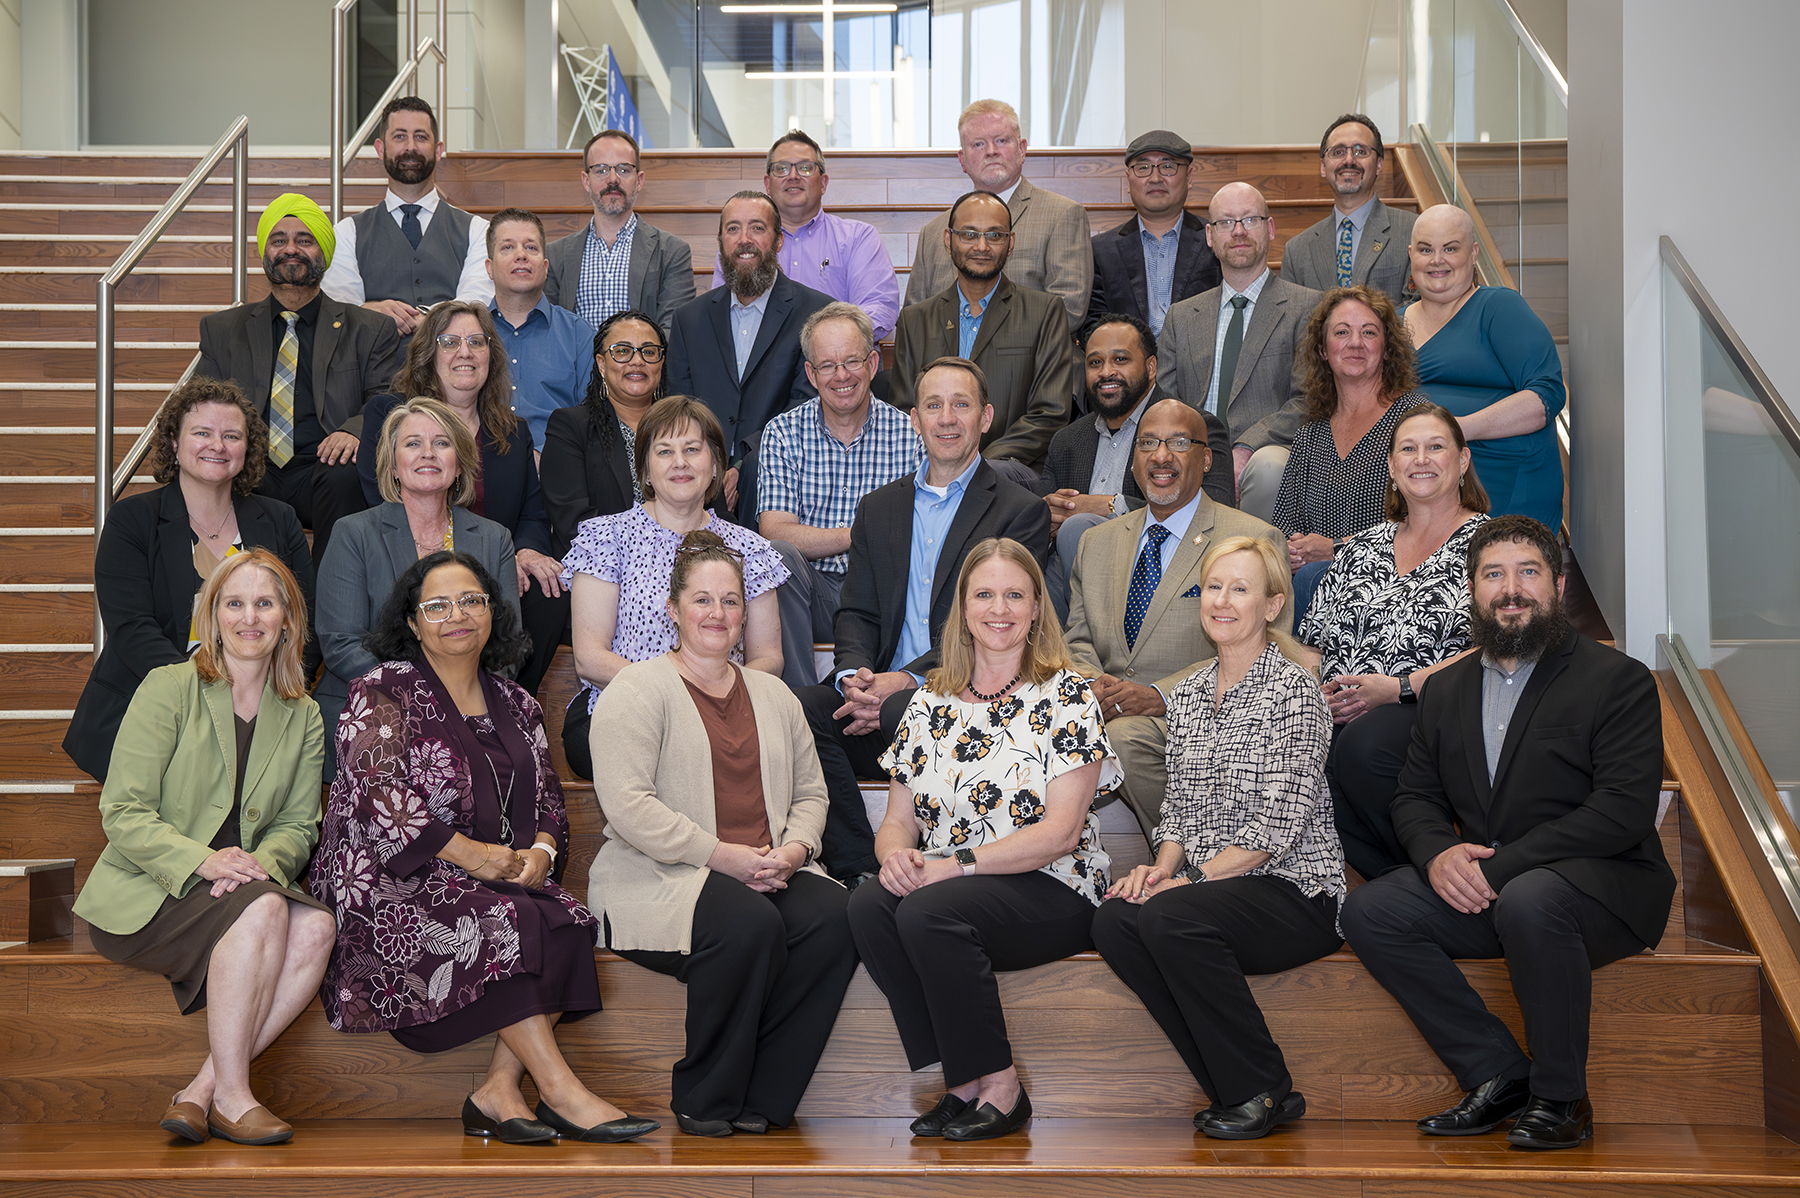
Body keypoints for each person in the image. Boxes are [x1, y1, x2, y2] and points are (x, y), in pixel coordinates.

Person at [1341, 516, 1673, 1150]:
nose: (1511, 589)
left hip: (1606, 888)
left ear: (1559, 584)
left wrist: (1498, 869)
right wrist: (1438, 854)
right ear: (1473, 589)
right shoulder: (1446, 690)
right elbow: (1416, 795)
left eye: (1528, 573)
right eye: (1494, 574)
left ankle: (1561, 1097)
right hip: (1495, 889)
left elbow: (1623, 811)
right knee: (1372, 910)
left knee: (1532, 897)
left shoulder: (1618, 680)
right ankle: (1497, 1072)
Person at [311, 551, 656, 1145]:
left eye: (470, 600)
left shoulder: (517, 702)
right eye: (437, 605)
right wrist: (478, 856)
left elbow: (549, 800)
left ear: (492, 612)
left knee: (569, 920)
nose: (457, 615)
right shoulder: (379, 690)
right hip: (390, 878)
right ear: (413, 623)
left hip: (490, 874)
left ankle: (497, 1089)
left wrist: (542, 855)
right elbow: (380, 799)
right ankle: (561, 1091)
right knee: (511, 917)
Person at [848, 537, 1117, 1142]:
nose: (1000, 608)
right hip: (952, 887)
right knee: (870, 903)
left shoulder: (1065, 695)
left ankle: (1001, 1085)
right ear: (963, 609)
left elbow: (1061, 832)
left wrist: (954, 866)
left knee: (927, 911)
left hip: (1054, 887)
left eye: (1015, 594)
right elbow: (897, 821)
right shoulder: (929, 701)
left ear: (1036, 608)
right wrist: (895, 858)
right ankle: (962, 1081)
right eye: (985, 594)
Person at [590, 530, 855, 1136]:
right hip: (664, 876)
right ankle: (705, 1097)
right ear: (673, 609)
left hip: (769, 865)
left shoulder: (773, 695)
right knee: (748, 923)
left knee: (836, 915)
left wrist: (794, 850)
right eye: (703, 600)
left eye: (730, 601)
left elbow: (814, 794)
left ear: (745, 613)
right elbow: (628, 805)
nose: (717, 613)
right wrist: (722, 857)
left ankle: (766, 1095)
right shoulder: (636, 690)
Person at [73, 550, 332, 1146]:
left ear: (287, 620)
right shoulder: (169, 688)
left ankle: (200, 1092)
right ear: (211, 617)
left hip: (238, 888)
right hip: (150, 892)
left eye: (264, 604)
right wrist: (204, 861)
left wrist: (256, 868)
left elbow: (298, 824)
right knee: (268, 908)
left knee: (317, 929)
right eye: (233, 603)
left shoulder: (304, 714)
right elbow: (123, 809)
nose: (249, 618)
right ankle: (235, 1099)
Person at [1092, 535, 1342, 1141]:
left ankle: (1263, 1087)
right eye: (1212, 587)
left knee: (1171, 917)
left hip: (1294, 893)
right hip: (1212, 894)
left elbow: (1274, 831)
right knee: (1116, 920)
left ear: (1273, 604)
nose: (1222, 601)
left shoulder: (1294, 693)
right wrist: (1159, 870)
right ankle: (1228, 1083)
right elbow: (1179, 809)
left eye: (1240, 589)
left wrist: (1184, 882)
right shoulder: (1192, 693)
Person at [795, 358, 1051, 880]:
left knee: (905, 711)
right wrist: (854, 678)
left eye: (961, 405)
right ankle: (854, 867)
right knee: (798, 707)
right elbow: (858, 612)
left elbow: (998, 625)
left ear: (986, 418)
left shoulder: (1020, 511)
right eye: (934, 405)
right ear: (915, 420)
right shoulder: (878, 508)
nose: (947, 418)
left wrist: (907, 682)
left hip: (967, 701)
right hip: (880, 703)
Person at [64, 377, 313, 782]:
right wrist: (208, 694)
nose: (218, 445)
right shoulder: (132, 520)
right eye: (202, 433)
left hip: (259, 703)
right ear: (174, 444)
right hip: (153, 703)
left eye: (232, 435)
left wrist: (262, 693)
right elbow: (132, 629)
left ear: (246, 449)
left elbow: (303, 619)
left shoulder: (280, 519)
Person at [1063, 398, 1286, 836]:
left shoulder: (1253, 539)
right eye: (1147, 443)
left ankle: (1192, 858)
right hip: (1104, 711)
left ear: (1205, 459)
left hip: (1212, 724)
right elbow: (1078, 638)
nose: (1161, 456)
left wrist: (1160, 696)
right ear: (1133, 462)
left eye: (1178, 442)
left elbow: (1268, 652)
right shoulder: (1096, 542)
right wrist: (1094, 686)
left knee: (1124, 739)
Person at [1299, 403, 1490, 880]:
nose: (1420, 459)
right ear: (1391, 466)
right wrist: (1312, 696)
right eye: (1408, 448)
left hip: (1440, 708)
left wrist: (1399, 687)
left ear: (1462, 461)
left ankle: (1431, 871)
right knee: (1301, 744)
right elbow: (1310, 644)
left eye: (1435, 447)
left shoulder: (1492, 545)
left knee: (1363, 746)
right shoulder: (1360, 546)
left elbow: (1496, 649)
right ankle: (1401, 881)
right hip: (1341, 708)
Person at [559, 396, 788, 778]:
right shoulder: (606, 538)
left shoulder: (749, 549)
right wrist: (676, 695)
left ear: (715, 464)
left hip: (724, 712)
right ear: (646, 471)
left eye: (692, 449)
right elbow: (590, 658)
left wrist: (713, 698)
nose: (680, 462)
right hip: (628, 708)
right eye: (664, 451)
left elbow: (768, 659)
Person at [358, 302, 563, 694]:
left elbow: (533, 514)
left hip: (494, 562)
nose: (465, 352)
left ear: (492, 354)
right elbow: (379, 495)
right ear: (427, 354)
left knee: (548, 591)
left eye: (476, 341)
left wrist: (523, 551)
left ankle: (509, 698)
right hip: (414, 555)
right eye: (449, 341)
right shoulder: (390, 415)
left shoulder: (513, 431)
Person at [195, 192, 401, 559]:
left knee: (347, 479)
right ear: (265, 253)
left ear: (322, 252)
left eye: (304, 240)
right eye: (279, 240)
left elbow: (388, 398)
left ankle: (331, 602)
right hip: (252, 465)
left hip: (328, 469)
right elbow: (201, 404)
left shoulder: (369, 329)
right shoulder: (223, 330)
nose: (291, 249)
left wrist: (353, 430)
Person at [317, 398, 517, 760]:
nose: (428, 453)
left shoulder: (494, 538)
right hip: (376, 711)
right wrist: (426, 695)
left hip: (470, 709)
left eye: (441, 443)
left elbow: (506, 643)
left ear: (459, 466)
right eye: (413, 444)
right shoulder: (353, 533)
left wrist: (462, 699)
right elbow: (341, 644)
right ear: (393, 466)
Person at [758, 303, 922, 685]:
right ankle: (800, 701)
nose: (842, 376)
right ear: (811, 374)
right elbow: (776, 531)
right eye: (828, 366)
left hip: (884, 590)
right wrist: (860, 533)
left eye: (852, 361)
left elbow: (914, 533)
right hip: (812, 590)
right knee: (778, 558)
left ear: (873, 363)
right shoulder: (783, 433)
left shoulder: (911, 434)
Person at [1037, 313, 1231, 617]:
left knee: (1078, 528)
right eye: (1095, 363)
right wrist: (1048, 514)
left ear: (1151, 368)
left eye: (1120, 360)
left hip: (1160, 572)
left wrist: (1114, 506)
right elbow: (1047, 520)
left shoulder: (1197, 427)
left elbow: (1216, 513)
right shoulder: (1068, 440)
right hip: (1071, 578)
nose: (1106, 372)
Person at [1156, 182, 1322, 524]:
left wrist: (1245, 447)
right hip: (1191, 448)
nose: (1239, 231)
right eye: (1226, 222)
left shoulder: (1308, 307)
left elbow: (1308, 399)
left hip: (1266, 451)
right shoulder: (1182, 315)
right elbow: (1165, 402)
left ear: (1271, 228)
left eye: (1250, 220)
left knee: (1268, 466)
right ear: (1210, 236)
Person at [665, 190, 835, 518]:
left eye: (757, 228)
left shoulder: (816, 313)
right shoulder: (689, 319)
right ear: (720, 242)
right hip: (699, 482)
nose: (744, 239)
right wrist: (711, 468)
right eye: (732, 229)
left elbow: (806, 405)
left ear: (778, 241)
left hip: (785, 478)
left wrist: (745, 465)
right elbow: (679, 406)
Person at [890, 190, 1075, 481]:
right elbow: (904, 411)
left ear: (1010, 243)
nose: (982, 246)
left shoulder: (1044, 312)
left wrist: (978, 467)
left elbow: (1049, 412)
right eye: (969, 234)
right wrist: (943, 460)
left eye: (995, 235)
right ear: (948, 240)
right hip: (931, 468)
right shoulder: (915, 320)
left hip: (1010, 471)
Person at [1404, 204, 1567, 528]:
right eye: (1426, 249)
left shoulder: (1500, 307)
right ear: (1411, 254)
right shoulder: (1391, 323)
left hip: (1506, 492)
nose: (1437, 260)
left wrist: (1456, 429)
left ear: (1474, 252)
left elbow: (1545, 396)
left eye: (1450, 248)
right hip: (1424, 492)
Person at [1271, 284, 1429, 617]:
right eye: (1342, 332)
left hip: (1397, 587)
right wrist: (1292, 549)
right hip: (1316, 592)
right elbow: (1284, 523)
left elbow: (1430, 521)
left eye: (1368, 332)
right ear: (1323, 350)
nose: (1355, 343)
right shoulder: (1310, 434)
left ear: (1386, 348)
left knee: (1314, 577)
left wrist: (1337, 549)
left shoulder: (1417, 420)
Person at [906, 99, 1092, 329]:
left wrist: (988, 345)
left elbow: (1069, 309)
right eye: (978, 144)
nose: (991, 152)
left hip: (1031, 363)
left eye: (1001, 141)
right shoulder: (933, 232)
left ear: (1022, 149)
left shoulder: (1062, 216)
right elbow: (914, 319)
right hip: (948, 363)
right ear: (962, 159)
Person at [710, 131, 901, 343]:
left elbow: (879, 308)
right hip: (761, 368)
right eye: (781, 168)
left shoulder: (858, 238)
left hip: (836, 365)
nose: (793, 176)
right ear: (767, 183)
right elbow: (722, 313)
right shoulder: (743, 247)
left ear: (823, 183)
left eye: (805, 168)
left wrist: (823, 344)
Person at [321, 97, 491, 335]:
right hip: (373, 369)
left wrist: (428, 318)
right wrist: (368, 312)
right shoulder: (347, 232)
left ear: (438, 150)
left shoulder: (478, 231)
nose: (410, 147)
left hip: (451, 368)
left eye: (421, 137)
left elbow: (478, 302)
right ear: (380, 149)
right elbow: (338, 308)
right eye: (399, 136)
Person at [545, 127, 696, 333]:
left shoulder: (672, 252)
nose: (613, 179)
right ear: (586, 181)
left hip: (644, 364)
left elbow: (674, 331)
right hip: (576, 366)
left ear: (639, 181)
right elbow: (549, 330)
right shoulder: (555, 256)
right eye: (601, 170)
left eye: (624, 169)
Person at [540, 310, 667, 555]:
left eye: (649, 351)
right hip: (603, 571)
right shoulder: (570, 427)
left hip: (686, 568)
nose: (637, 361)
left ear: (661, 362)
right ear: (601, 363)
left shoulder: (686, 426)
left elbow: (712, 512)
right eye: (622, 351)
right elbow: (574, 524)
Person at [1084, 130, 1221, 337]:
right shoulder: (1101, 251)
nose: (1155, 178)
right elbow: (1092, 324)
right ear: (1128, 179)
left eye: (1168, 166)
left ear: (1189, 176)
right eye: (1143, 168)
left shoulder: (1216, 240)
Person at [484, 207, 596, 450]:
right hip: (480, 472)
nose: (521, 255)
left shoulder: (579, 335)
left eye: (531, 247)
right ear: (489, 267)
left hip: (557, 473)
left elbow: (592, 420)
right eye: (508, 247)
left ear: (545, 267)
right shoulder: (471, 334)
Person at [1277, 114, 1418, 305]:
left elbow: (1419, 309)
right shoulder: (1297, 251)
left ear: (1378, 164)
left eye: (1361, 151)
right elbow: (1291, 324)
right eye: (1338, 152)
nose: (1349, 160)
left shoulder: (1413, 231)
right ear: (1323, 167)